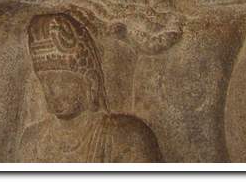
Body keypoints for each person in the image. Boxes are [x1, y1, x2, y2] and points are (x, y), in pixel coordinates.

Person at [18, 12, 163, 162]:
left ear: (91, 83)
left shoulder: (127, 137)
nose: (52, 91)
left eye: (62, 82)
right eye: (44, 81)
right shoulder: (33, 142)